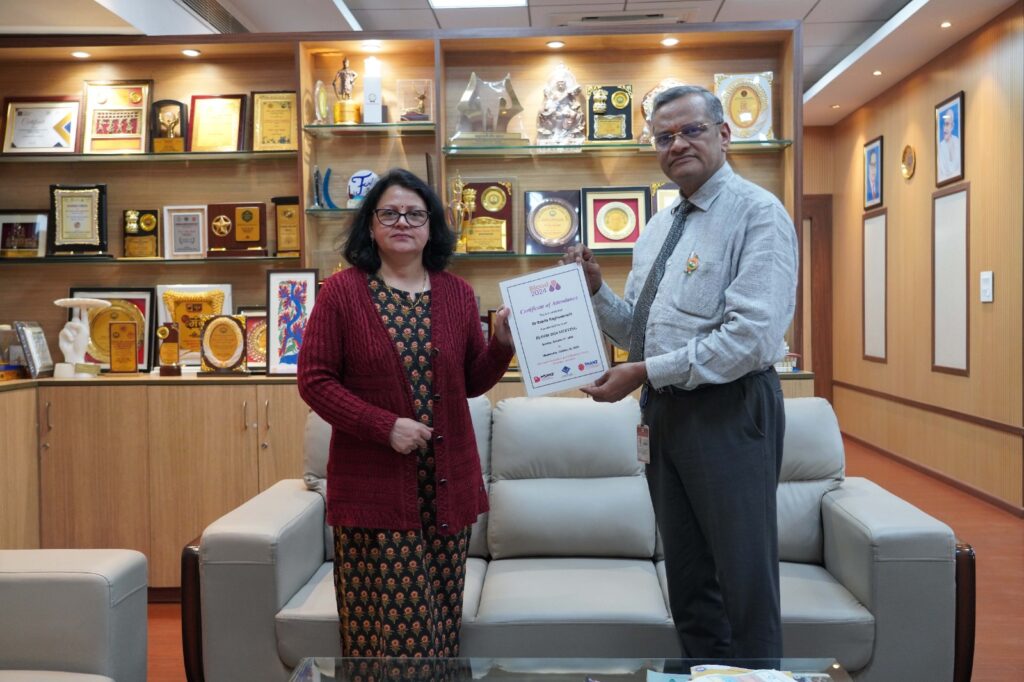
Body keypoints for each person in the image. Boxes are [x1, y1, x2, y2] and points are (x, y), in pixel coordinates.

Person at [564, 85, 798, 659]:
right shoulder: (657, 227)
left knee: (742, 581)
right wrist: (595, 291)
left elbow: (750, 340)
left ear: (724, 134)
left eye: (691, 130)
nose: (677, 144)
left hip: (730, 411)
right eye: (664, 136)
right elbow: (637, 331)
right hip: (664, 416)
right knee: (689, 579)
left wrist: (644, 371)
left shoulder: (758, 214)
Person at [297, 168, 514, 662]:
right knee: (390, 639)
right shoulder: (341, 293)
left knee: (440, 631)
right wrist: (385, 427)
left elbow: (470, 382)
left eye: (415, 214)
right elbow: (314, 380)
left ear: (432, 227)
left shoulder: (457, 294)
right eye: (389, 213)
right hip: (375, 488)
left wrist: (501, 346)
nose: (402, 222)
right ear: (370, 225)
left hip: (445, 490)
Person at [937, 107, 961, 181]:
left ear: (952, 126)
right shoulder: (940, 146)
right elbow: (941, 175)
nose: (944, 128)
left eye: (947, 124)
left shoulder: (957, 142)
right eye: (943, 125)